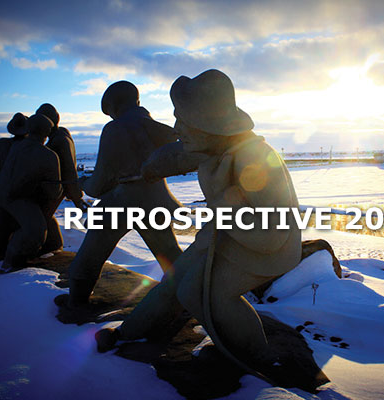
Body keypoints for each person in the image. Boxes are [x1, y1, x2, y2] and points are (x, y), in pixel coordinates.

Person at [96, 70, 301, 373]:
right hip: (226, 233)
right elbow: (176, 156)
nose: (177, 128)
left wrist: (224, 208)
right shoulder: (211, 145)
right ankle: (129, 332)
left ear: (209, 124)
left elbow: (272, 232)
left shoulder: (254, 157)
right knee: (177, 279)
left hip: (266, 248)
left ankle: (255, 354)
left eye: (185, 121)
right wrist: (147, 171)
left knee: (204, 292)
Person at [65, 81, 192, 309]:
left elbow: (101, 182)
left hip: (121, 203)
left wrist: (83, 183)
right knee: (170, 255)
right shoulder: (160, 129)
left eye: (110, 112)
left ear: (114, 106)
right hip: (156, 201)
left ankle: (76, 300)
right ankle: (191, 297)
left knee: (91, 253)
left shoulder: (114, 129)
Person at [0, 114, 62, 270]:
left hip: (1, 195)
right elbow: (54, 191)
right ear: (47, 132)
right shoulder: (48, 155)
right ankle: (12, 262)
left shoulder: (15, 147)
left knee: (2, 224)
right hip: (18, 199)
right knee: (36, 231)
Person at [36, 103, 85, 253]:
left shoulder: (59, 141)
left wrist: (77, 197)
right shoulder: (62, 134)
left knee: (41, 217)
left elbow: (69, 170)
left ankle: (52, 246)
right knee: (44, 217)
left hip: (56, 188)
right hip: (57, 187)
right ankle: (53, 245)